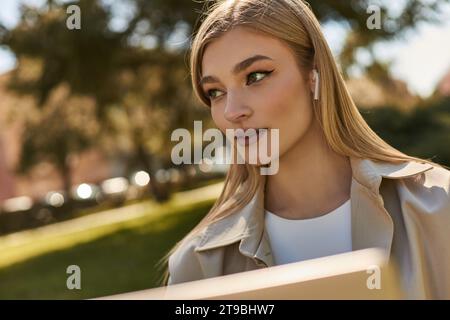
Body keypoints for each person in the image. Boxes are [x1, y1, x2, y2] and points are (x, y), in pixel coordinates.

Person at [159, 0, 450, 299]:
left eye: (255, 76)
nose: (232, 111)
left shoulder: (439, 205)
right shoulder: (197, 265)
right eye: (216, 92)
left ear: (314, 75)